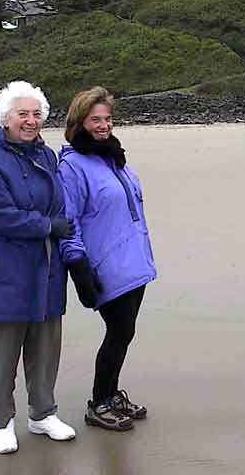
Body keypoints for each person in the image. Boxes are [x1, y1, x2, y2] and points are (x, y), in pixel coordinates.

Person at [0, 81, 77, 453]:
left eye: (36, 114)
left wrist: (56, 227)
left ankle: (43, 413)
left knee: (45, 347)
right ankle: (1, 422)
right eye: (22, 114)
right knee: (2, 354)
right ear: (5, 118)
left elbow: (58, 204)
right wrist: (47, 226)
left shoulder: (47, 156)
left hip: (46, 267)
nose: (30, 121)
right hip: (2, 270)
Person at [57, 87, 157, 432]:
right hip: (104, 265)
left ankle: (112, 395)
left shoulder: (113, 156)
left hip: (134, 261)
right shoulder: (72, 166)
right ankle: (99, 403)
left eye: (107, 118)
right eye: (95, 119)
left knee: (124, 332)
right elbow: (68, 220)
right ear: (79, 122)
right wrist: (78, 266)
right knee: (118, 331)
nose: (103, 125)